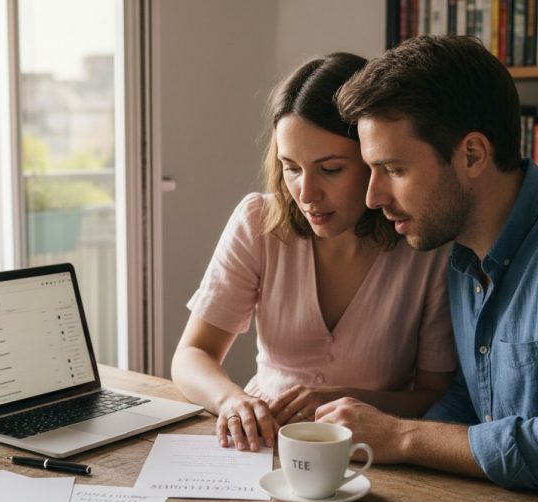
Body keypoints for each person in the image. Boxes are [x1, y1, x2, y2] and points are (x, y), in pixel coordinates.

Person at [318, 35, 538, 499]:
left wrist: (401, 437)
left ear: (473, 155)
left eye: (394, 170)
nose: (373, 198)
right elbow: (474, 399)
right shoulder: (461, 251)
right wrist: (379, 447)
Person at [171, 53, 457, 452]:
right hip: (261, 446)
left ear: (373, 158)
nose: (306, 194)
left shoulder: (425, 248)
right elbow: (192, 354)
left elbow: (433, 394)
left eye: (331, 169)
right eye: (291, 167)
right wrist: (231, 400)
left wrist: (344, 400)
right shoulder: (258, 221)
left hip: (368, 453)